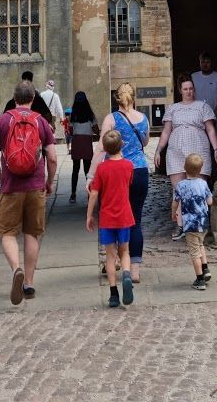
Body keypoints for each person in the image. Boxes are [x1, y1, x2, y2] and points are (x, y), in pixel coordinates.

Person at [0, 81, 58, 306]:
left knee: (8, 233)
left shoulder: (2, 121)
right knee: (32, 233)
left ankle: (16, 269)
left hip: (10, 187)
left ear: (14, 98)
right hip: (35, 186)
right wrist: (49, 182)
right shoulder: (41, 122)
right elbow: (52, 157)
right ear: (32, 99)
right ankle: (28, 282)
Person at [97, 81, 151, 283]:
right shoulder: (143, 118)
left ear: (117, 98)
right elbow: (145, 142)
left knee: (114, 217)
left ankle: (116, 259)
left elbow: (102, 148)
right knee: (135, 220)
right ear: (133, 98)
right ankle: (134, 269)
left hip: (116, 173)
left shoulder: (111, 119)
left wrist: (93, 175)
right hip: (139, 171)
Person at [86, 128, 136, 308]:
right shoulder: (129, 165)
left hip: (107, 218)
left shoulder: (101, 168)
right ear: (121, 145)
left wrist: (89, 215)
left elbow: (94, 193)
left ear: (105, 149)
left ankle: (114, 294)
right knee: (125, 251)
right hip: (124, 215)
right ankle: (127, 274)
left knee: (109, 255)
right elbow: (128, 183)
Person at [158, 74, 217, 196]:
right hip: (176, 152)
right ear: (180, 91)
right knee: (179, 193)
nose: (188, 91)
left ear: (194, 89)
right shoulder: (173, 108)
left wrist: (216, 149)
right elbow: (166, 131)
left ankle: (199, 215)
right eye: (185, 89)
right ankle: (179, 215)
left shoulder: (203, 106)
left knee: (199, 192)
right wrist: (158, 150)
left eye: (191, 88)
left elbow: (210, 129)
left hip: (198, 150)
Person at [174, 152, 213, 289]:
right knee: (200, 244)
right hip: (203, 222)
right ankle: (206, 268)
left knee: (194, 251)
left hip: (190, 224)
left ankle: (200, 279)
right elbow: (210, 201)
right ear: (200, 170)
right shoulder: (203, 184)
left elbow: (175, 202)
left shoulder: (181, 185)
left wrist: (174, 214)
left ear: (185, 167)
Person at [190, 51, 217, 155]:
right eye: (203, 62)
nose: (205, 64)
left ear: (211, 63)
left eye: (207, 62)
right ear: (199, 62)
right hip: (198, 121)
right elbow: (190, 96)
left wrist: (212, 116)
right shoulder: (194, 77)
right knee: (201, 150)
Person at [67, 90, 98, 202]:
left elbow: (70, 130)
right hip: (86, 142)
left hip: (77, 141)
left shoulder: (73, 115)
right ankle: (89, 193)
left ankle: (73, 194)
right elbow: (96, 129)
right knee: (87, 169)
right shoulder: (90, 115)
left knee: (75, 169)